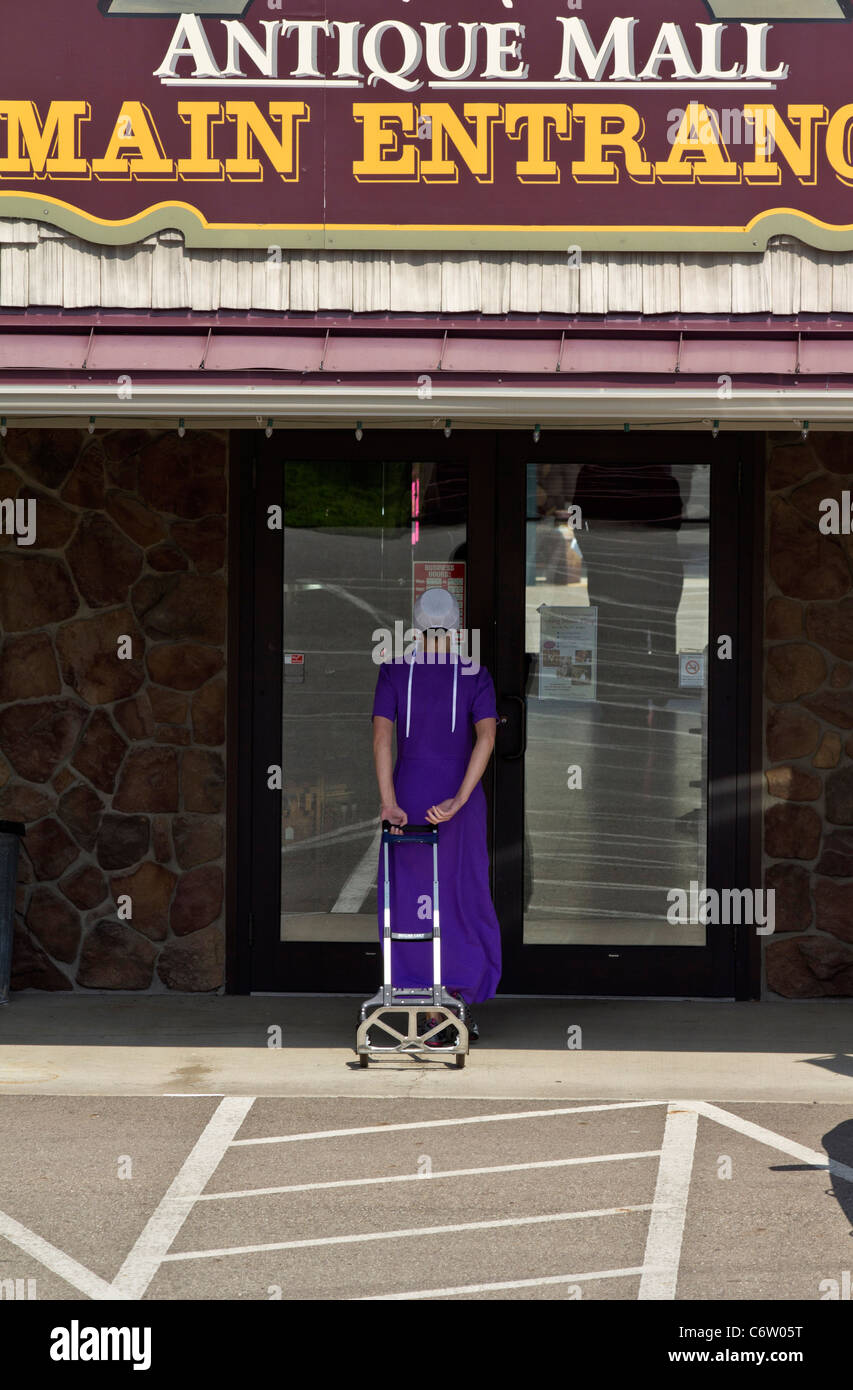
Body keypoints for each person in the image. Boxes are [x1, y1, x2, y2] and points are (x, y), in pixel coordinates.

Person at [371, 587, 502, 1043]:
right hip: (456, 803)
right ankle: (458, 997)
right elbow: (486, 737)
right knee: (459, 894)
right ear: (457, 626)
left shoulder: (393, 669)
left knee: (409, 896)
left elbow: (382, 740)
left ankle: (414, 998)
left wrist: (389, 802)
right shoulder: (475, 673)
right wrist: (461, 799)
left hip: (407, 799)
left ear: (415, 625)